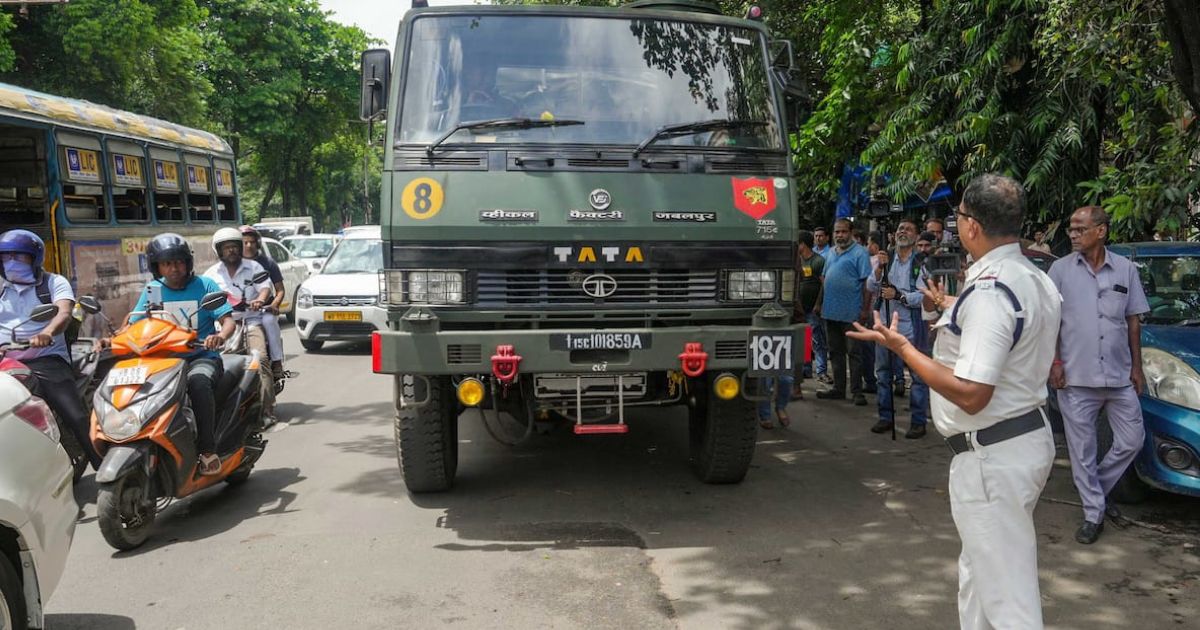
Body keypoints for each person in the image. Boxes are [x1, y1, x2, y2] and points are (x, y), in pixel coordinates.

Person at [849, 174, 1061, 629]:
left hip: (992, 456)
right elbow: (1010, 345)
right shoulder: (1031, 278)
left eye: (960, 215)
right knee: (979, 580)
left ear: (972, 227)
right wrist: (951, 308)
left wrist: (904, 350)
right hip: (1016, 440)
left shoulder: (990, 292)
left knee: (1009, 600)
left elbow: (971, 393)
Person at [1048, 206, 1148, 545]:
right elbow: (1050, 322)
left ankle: (1097, 496)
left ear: (1101, 231)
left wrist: (1137, 367)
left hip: (1119, 376)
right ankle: (1093, 514)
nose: (1073, 234)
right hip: (1076, 377)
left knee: (1133, 439)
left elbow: (1133, 320)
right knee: (1082, 450)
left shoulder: (1126, 269)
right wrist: (1054, 362)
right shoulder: (1059, 270)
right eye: (1071, 229)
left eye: (1080, 228)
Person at [116, 233, 234, 475]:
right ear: (157, 266)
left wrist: (219, 337)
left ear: (187, 263)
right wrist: (116, 337)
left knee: (198, 383)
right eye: (167, 263)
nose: (174, 268)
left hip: (201, 357)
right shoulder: (153, 290)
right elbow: (135, 321)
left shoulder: (204, 286)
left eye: (178, 262)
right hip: (162, 362)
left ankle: (207, 451)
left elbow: (228, 320)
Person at [0, 229, 101, 471]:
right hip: (6, 361)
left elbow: (64, 312)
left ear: (33, 259)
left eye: (18, 256)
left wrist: (46, 333)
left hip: (45, 359)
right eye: (5, 257)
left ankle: (104, 469)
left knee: (74, 415)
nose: (11, 262)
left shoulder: (53, 282)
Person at [204, 228, 277, 425]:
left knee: (260, 359)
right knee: (214, 365)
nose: (231, 251)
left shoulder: (253, 267)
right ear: (219, 251)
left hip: (251, 321)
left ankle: (267, 409)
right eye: (227, 248)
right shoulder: (210, 275)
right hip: (223, 327)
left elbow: (265, 287)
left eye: (234, 247)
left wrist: (260, 301)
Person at [866, 218, 931, 439]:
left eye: (908, 229)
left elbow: (925, 296)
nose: (903, 231)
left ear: (915, 236)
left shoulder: (921, 262)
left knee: (917, 375)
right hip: (885, 325)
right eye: (900, 228)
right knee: (883, 373)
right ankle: (885, 417)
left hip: (911, 327)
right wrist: (879, 269)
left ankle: (918, 421)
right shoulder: (886, 257)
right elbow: (870, 285)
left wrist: (900, 295)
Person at [815, 219, 872, 406]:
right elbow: (825, 279)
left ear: (851, 232)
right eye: (836, 232)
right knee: (835, 352)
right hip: (830, 311)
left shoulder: (860, 253)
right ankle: (838, 389)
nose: (839, 235)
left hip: (852, 313)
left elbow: (867, 284)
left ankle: (857, 392)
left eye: (843, 232)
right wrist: (819, 303)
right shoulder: (831, 253)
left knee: (854, 353)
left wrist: (864, 310)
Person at [241, 226, 286, 383]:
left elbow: (280, 290)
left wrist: (274, 305)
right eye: (244, 242)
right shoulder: (231, 266)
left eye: (252, 242)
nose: (248, 246)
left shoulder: (268, 263)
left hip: (263, 309)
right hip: (240, 312)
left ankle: (277, 361)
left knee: (268, 321)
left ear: (257, 244)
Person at [794, 230, 825, 396]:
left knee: (816, 340)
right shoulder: (796, 261)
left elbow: (823, 284)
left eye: (797, 243)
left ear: (803, 244)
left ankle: (821, 371)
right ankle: (806, 368)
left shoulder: (818, 261)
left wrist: (818, 304)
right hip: (799, 310)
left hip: (812, 309)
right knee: (804, 340)